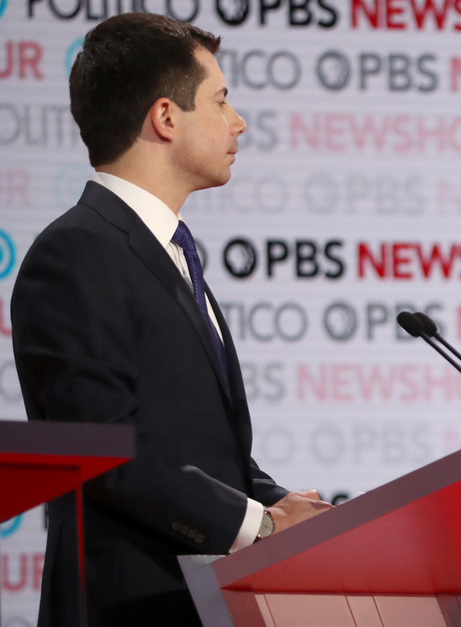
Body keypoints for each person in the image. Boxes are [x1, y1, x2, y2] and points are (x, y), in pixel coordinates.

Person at [10, 13, 332, 627]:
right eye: (221, 100)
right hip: (127, 606)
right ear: (165, 118)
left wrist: (281, 504)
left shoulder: (172, 252)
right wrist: (262, 525)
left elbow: (201, 452)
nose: (238, 121)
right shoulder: (77, 252)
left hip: (204, 602)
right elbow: (105, 451)